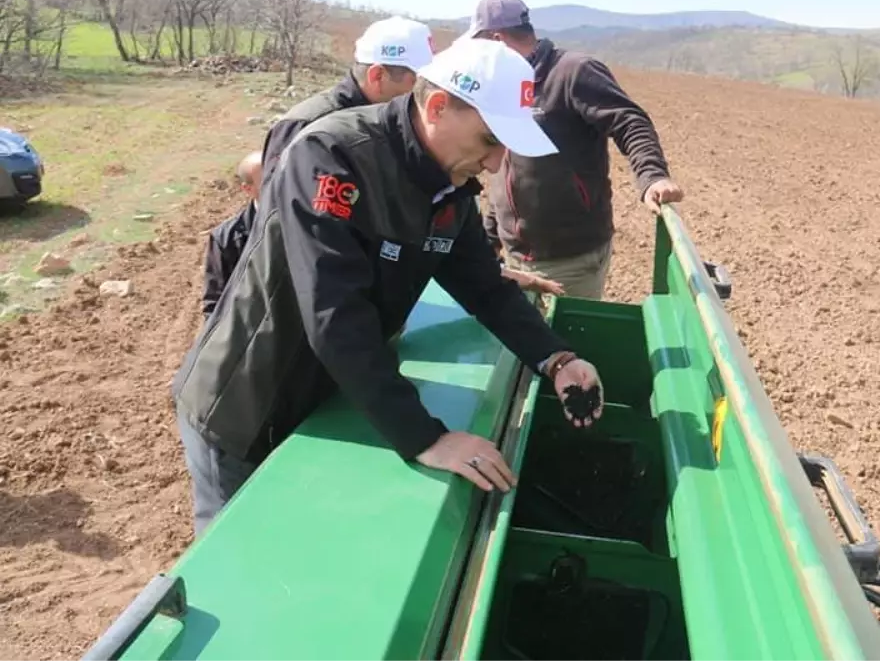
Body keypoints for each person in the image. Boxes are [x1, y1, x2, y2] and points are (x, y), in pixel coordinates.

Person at [169, 38, 605, 536]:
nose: (494, 164)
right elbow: (335, 314)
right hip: (250, 400)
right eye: (489, 140)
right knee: (240, 545)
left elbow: (485, 286)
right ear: (437, 107)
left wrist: (556, 359)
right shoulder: (332, 156)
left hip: (330, 396)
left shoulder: (447, 188)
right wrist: (426, 437)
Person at [463, 0, 685, 299]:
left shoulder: (572, 72)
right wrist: (492, 233)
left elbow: (629, 121)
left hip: (567, 259)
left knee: (559, 329)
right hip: (513, 253)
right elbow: (509, 169)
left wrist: (653, 176)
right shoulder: (504, 84)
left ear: (497, 40)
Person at [259, 15, 436, 186]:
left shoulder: (401, 128)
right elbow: (278, 203)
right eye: (418, 83)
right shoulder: (305, 128)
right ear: (377, 77)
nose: (424, 94)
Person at [200, 150, 262, 317]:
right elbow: (215, 303)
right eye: (267, 180)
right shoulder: (225, 239)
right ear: (248, 189)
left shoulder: (304, 222)